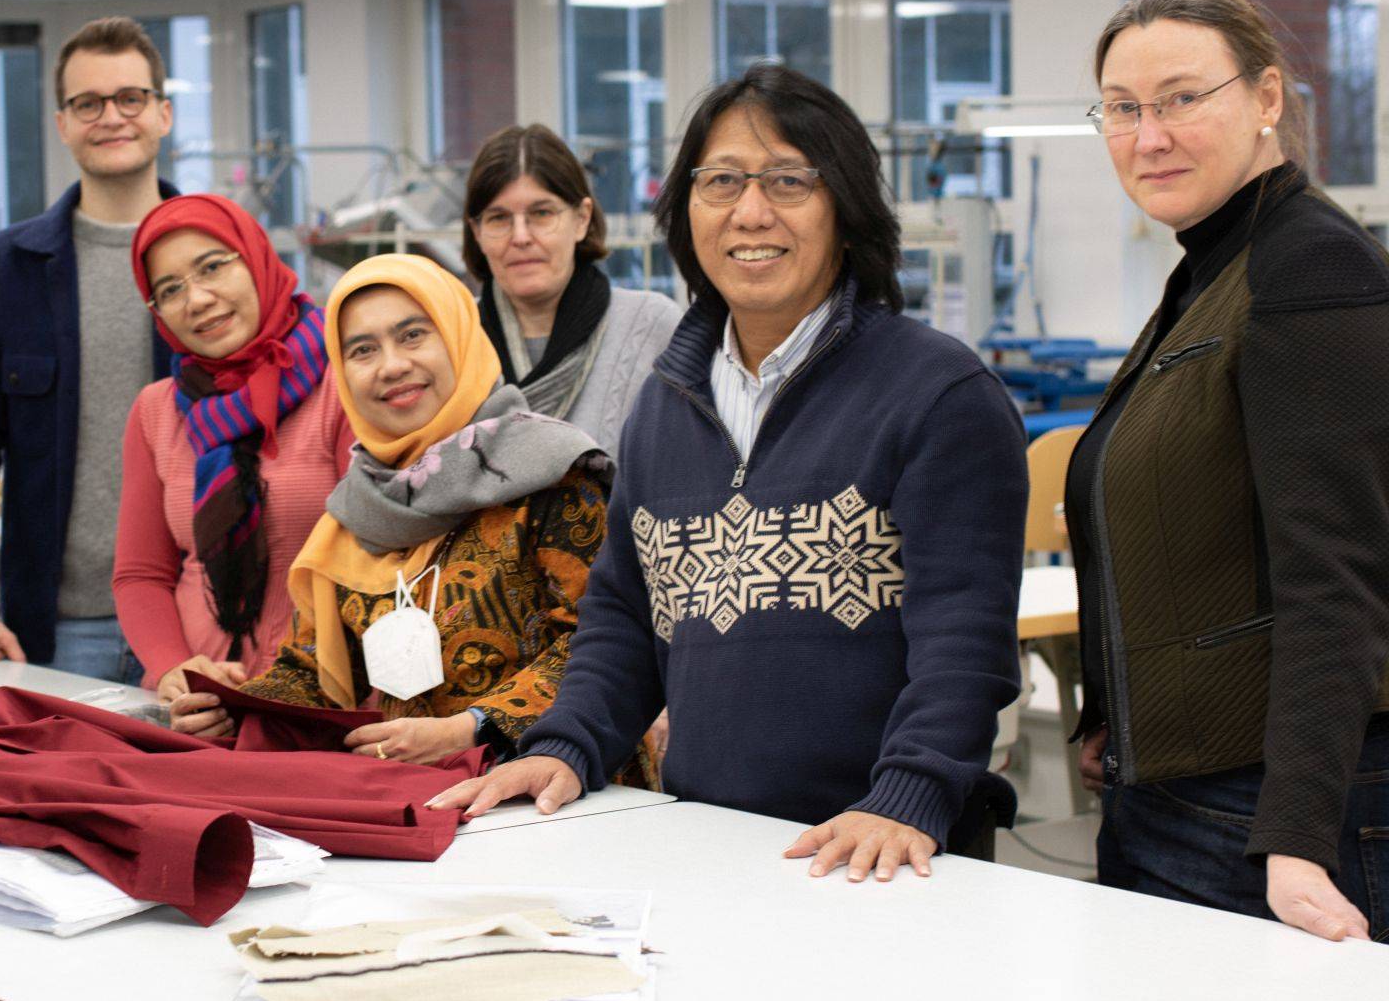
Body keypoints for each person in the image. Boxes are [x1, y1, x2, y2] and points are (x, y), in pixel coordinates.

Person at [432, 65, 1028, 882]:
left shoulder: (937, 394)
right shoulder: (664, 407)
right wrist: (568, 743)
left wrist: (908, 794)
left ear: (845, 206)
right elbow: (624, 616)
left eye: (789, 180)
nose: (752, 212)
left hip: (884, 859)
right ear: (687, 214)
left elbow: (966, 643)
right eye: (721, 182)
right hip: (707, 847)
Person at [1067, 0, 1389, 943]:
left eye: (1178, 100)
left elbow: (1337, 576)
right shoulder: (1215, 263)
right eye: (1121, 109)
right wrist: (1106, 714)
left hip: (1263, 815)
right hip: (1180, 793)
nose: (1147, 135)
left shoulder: (1305, 264)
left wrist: (1293, 837)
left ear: (1262, 98)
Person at [169, 253, 625, 776]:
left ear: (457, 336)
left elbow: (600, 643)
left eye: (412, 336)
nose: (391, 365)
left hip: (561, 790)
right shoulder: (357, 508)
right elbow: (311, 671)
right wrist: (235, 709)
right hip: (421, 799)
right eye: (362, 350)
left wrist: (471, 727)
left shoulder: (552, 470)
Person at [0, 16, 179, 679]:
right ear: (63, 123)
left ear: (163, 113)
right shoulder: (7, 268)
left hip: (200, 624)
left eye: (130, 98)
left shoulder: (223, 260)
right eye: (87, 103)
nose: (111, 117)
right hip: (63, 627)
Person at [114, 194, 353, 703]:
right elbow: (142, 573)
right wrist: (175, 670)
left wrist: (292, 688)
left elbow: (380, 560)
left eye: (212, 267)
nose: (197, 299)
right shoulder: (157, 411)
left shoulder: (345, 381)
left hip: (325, 699)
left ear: (257, 258)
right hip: (198, 704)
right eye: (170, 289)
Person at [463, 124, 681, 455]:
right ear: (476, 232)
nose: (520, 236)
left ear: (581, 219)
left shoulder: (653, 327)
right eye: (498, 218)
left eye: (541, 213)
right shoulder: (454, 341)